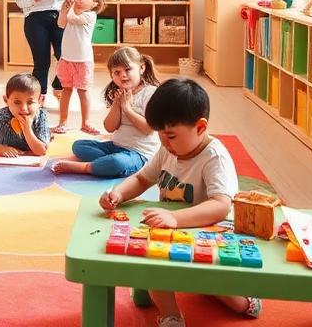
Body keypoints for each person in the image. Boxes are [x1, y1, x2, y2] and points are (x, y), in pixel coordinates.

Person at [98, 78, 261, 326]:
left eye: (171, 136)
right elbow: (142, 179)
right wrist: (118, 193)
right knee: (151, 259)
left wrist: (176, 218)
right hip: (173, 228)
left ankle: (239, 299)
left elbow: (221, 205)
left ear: (200, 127)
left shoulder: (214, 156)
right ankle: (170, 315)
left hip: (211, 232)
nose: (165, 143)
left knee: (210, 278)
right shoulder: (167, 150)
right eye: (161, 136)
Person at [52, 47, 160, 175]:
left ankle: (86, 167)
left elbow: (149, 129)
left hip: (138, 153)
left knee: (117, 163)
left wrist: (127, 108)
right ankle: (104, 163)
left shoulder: (151, 93)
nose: (123, 75)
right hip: (115, 147)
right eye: (117, 72)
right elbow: (109, 127)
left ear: (141, 68)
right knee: (79, 145)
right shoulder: (120, 93)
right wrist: (116, 103)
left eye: (128, 70)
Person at [53, 0, 106, 134]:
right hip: (66, 59)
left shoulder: (90, 15)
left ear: (95, 3)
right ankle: (62, 122)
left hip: (83, 62)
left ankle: (86, 122)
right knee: (65, 91)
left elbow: (73, 19)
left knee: (83, 92)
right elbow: (61, 23)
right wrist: (63, 11)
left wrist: (69, 9)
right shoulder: (72, 13)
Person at [0, 73, 50, 157]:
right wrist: (1, 149)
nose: (24, 108)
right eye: (17, 102)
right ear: (6, 100)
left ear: (40, 101)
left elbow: (42, 151)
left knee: (45, 138)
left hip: (29, 162)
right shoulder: (0, 116)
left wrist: (27, 129)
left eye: (30, 102)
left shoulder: (41, 116)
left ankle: (49, 135)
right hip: (3, 161)